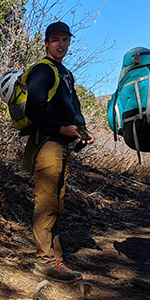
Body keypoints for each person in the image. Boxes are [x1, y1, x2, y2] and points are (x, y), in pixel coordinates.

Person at [23, 20, 93, 282]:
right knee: (47, 202)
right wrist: (61, 129)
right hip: (48, 143)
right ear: (47, 43)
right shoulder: (43, 71)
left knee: (58, 202)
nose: (61, 44)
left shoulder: (64, 73)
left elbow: (72, 107)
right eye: (56, 40)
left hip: (61, 143)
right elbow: (33, 111)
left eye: (65, 39)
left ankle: (56, 258)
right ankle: (44, 261)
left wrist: (81, 131)